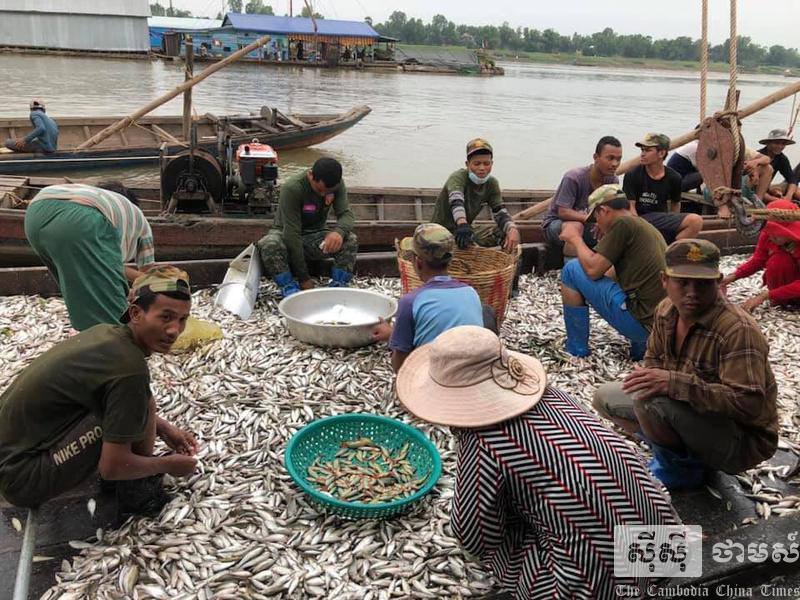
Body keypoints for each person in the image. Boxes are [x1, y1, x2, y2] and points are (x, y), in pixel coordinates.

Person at [396, 326, 680, 600]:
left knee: (498, 538)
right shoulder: (554, 397)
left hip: (601, 588)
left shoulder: (483, 440)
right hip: (669, 551)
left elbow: (473, 536)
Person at [0, 267, 199, 516]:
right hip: (20, 478)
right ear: (136, 313)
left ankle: (131, 472)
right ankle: (134, 492)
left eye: (182, 320)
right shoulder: (129, 369)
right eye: (165, 317)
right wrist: (167, 465)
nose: (174, 330)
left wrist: (166, 429)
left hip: (12, 451)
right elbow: (111, 467)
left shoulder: (106, 333)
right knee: (135, 405)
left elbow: (129, 405)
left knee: (140, 401)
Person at [593, 239, 778, 490]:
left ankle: (683, 470)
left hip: (741, 439)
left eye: (702, 283)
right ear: (664, 281)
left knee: (649, 403)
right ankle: (682, 451)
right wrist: (654, 380)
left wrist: (674, 383)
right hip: (692, 410)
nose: (692, 292)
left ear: (718, 282)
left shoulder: (737, 330)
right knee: (604, 397)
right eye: (682, 282)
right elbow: (652, 363)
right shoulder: (665, 311)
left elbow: (749, 405)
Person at [24, 182, 155, 332]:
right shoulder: (140, 220)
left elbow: (109, 265)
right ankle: (113, 341)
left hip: (35, 213)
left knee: (78, 285)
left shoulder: (98, 199)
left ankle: (90, 336)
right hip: (81, 219)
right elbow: (149, 277)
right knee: (112, 312)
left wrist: (131, 290)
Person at [559, 184, 667, 360]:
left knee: (571, 269)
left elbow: (593, 271)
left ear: (604, 211)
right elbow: (612, 273)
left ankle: (576, 350)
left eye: (596, 218)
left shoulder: (623, 224)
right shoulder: (644, 226)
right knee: (633, 286)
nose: (597, 224)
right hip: (658, 326)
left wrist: (575, 239)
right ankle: (642, 351)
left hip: (639, 323)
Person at [371, 224, 492, 371]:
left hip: (435, 383)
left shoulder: (410, 302)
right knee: (486, 311)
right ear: (449, 261)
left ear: (418, 262)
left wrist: (394, 337)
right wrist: (393, 334)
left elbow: (400, 367)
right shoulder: (471, 293)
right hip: (472, 376)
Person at [257, 157, 357, 297]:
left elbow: (347, 215)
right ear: (310, 175)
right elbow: (292, 234)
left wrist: (338, 232)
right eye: (319, 190)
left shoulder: (337, 184)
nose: (322, 194)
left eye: (327, 191)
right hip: (286, 235)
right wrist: (304, 278)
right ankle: (289, 288)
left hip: (314, 236)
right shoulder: (293, 188)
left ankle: (338, 285)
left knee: (350, 239)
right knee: (269, 244)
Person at [430, 138, 520, 253]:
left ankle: (501, 261)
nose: (482, 168)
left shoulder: (492, 183)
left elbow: (500, 212)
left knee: (505, 232)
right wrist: (462, 223)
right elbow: (456, 201)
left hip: (467, 228)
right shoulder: (458, 177)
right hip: (440, 230)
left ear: (492, 164)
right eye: (477, 164)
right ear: (468, 164)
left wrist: (511, 228)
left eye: (486, 164)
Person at [541, 136, 622, 256]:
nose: (615, 164)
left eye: (618, 159)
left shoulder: (612, 181)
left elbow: (611, 210)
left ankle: (601, 267)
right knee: (575, 227)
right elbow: (563, 212)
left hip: (589, 226)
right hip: (556, 225)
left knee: (618, 230)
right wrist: (593, 219)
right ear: (596, 157)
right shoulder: (574, 177)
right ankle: (572, 269)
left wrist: (605, 223)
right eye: (610, 158)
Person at [623, 133, 703, 243]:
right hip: (638, 219)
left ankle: (670, 250)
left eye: (647, 150)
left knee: (696, 221)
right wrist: (639, 228)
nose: (642, 154)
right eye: (642, 150)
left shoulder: (674, 177)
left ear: (661, 153)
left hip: (660, 218)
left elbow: (675, 204)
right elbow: (630, 208)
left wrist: (675, 225)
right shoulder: (633, 174)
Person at [721, 199, 800, 311]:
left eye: (777, 233)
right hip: (783, 288)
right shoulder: (768, 235)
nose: (771, 237)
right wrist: (730, 278)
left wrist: (765, 295)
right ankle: (782, 301)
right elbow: (758, 261)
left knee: (780, 261)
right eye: (769, 231)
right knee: (778, 260)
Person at [754, 128, 797, 202]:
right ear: (768, 143)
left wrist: (788, 196)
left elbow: (792, 179)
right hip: (757, 191)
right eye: (776, 143)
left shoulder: (782, 158)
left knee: (793, 189)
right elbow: (753, 189)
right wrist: (780, 200)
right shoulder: (756, 156)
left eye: (783, 144)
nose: (780, 146)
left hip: (767, 190)